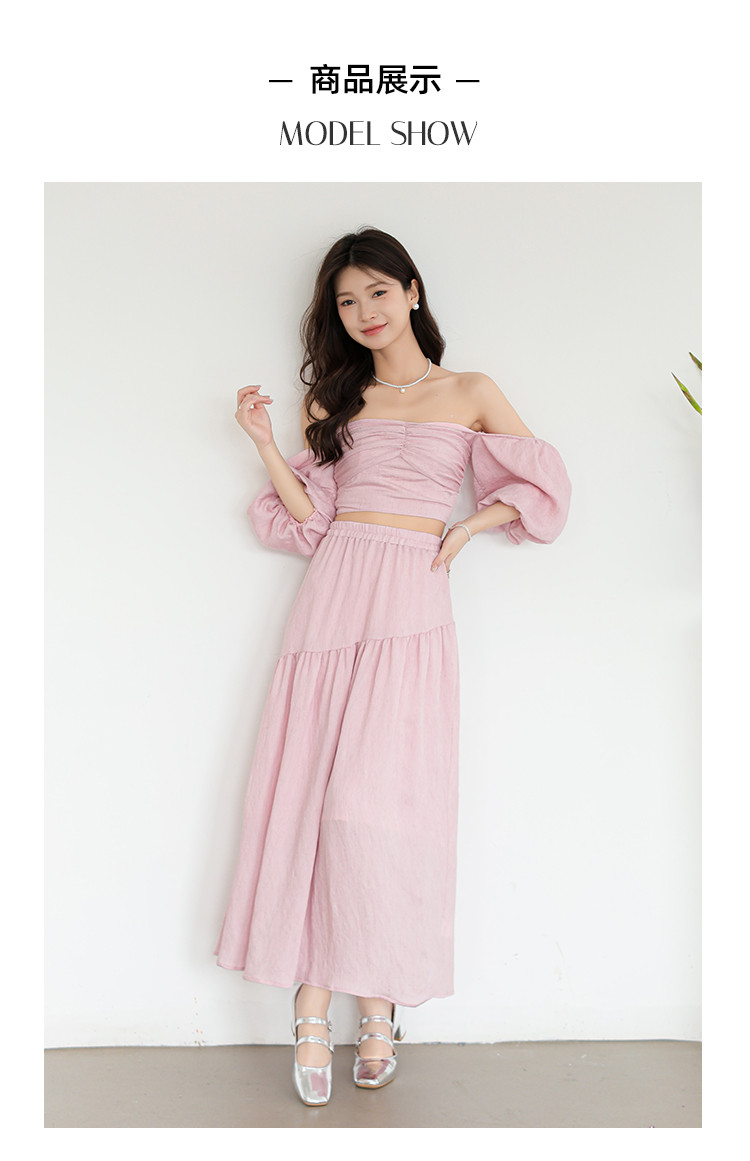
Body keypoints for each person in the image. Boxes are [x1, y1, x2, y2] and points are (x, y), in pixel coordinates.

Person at [214, 227, 571, 1107]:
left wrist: (471, 525)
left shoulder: (471, 390)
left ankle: (377, 1003)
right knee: (315, 790)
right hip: (337, 592)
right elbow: (311, 520)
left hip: (414, 597)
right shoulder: (338, 399)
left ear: (412, 291)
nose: (364, 312)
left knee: (383, 805)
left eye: (377, 291)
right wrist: (265, 442)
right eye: (347, 301)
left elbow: (543, 483)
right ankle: (312, 1003)